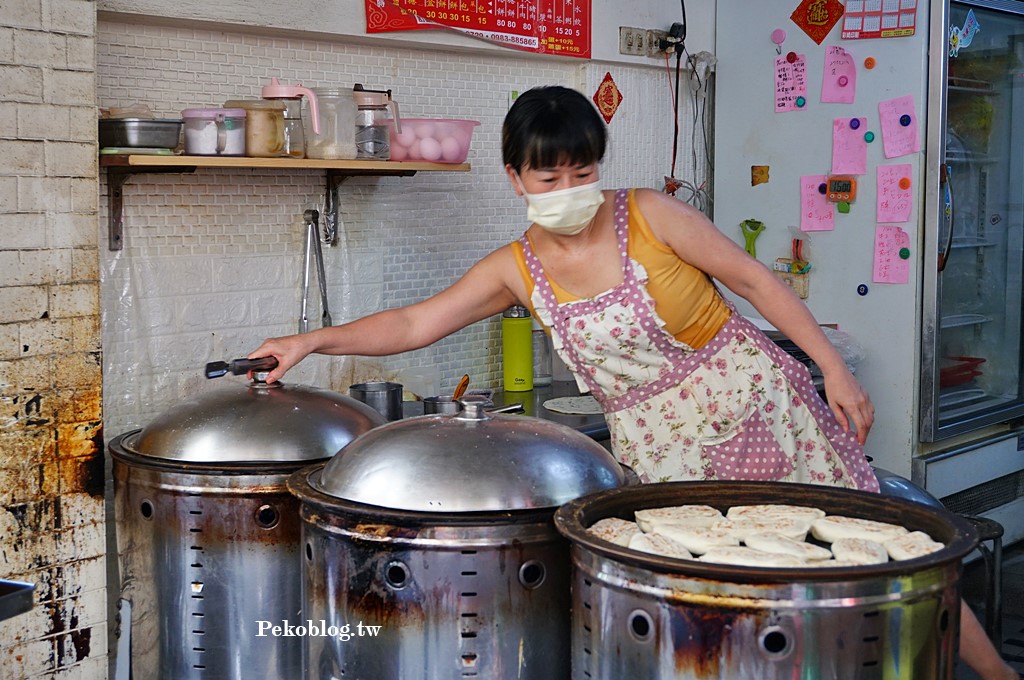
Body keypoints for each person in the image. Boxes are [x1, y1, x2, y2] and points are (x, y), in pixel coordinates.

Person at [249, 85, 1015, 678]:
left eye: (583, 170)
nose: (570, 186)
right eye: (550, 174)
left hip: (754, 409)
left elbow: (754, 280)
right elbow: (415, 325)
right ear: (516, 177)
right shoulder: (516, 269)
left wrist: (835, 368)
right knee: (717, 599)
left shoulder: (649, 216)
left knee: (868, 551)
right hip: (659, 452)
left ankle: (992, 672)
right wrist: (312, 340)